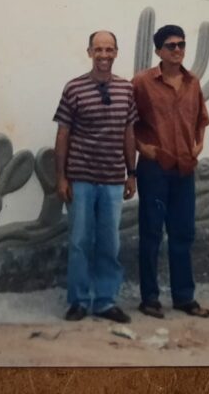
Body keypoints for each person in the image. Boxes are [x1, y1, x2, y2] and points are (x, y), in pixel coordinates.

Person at [53, 30, 138, 323]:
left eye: (109, 49)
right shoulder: (74, 88)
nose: (104, 55)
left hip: (113, 179)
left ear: (116, 53)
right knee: (79, 241)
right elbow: (63, 134)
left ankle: (105, 301)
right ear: (89, 53)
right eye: (98, 49)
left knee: (109, 243)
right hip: (81, 178)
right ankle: (78, 301)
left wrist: (131, 173)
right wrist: (61, 177)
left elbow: (129, 132)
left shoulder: (126, 90)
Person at [131, 24, 209, 319]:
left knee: (183, 233)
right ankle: (150, 299)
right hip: (154, 168)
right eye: (170, 45)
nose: (177, 50)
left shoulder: (192, 83)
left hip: (184, 169)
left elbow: (201, 119)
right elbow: (128, 122)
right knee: (151, 233)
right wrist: (143, 148)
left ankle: (184, 297)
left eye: (181, 44)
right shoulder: (142, 82)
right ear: (158, 51)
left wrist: (199, 145)